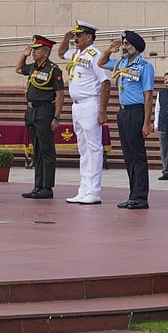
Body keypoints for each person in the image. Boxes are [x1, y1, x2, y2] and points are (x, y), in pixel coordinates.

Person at [98, 30, 155, 209]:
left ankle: (141, 197)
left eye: (127, 44)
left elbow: (148, 96)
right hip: (123, 112)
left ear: (135, 47)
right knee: (128, 156)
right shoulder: (121, 63)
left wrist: (147, 122)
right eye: (123, 43)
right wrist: (108, 50)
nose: (124, 46)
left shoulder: (144, 66)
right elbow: (101, 63)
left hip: (136, 111)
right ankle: (133, 195)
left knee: (137, 155)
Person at [57, 20, 111, 205]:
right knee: (83, 149)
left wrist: (102, 110)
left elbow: (105, 83)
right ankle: (84, 189)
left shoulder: (96, 55)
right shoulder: (77, 54)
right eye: (76, 35)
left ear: (89, 37)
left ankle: (94, 191)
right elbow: (61, 53)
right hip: (77, 106)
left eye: (79, 35)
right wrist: (66, 38)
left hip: (90, 103)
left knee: (93, 149)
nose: (76, 39)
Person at [15, 35, 65, 199]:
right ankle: (38, 185)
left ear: (45, 52)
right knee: (36, 150)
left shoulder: (52, 69)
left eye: (36, 50)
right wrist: (24, 55)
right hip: (31, 111)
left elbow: (59, 94)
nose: (33, 52)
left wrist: (56, 117)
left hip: (45, 111)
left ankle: (47, 187)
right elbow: (18, 69)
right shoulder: (33, 67)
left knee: (46, 150)